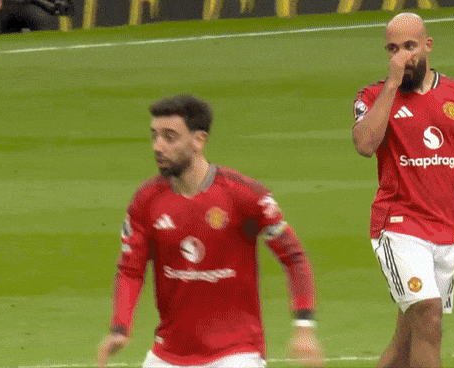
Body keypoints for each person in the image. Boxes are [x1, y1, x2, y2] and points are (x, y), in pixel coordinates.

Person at [97, 95, 324, 368]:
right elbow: (130, 269)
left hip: (236, 354)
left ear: (199, 140)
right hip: (167, 354)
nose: (158, 146)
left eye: (169, 137)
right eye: (154, 136)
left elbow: (294, 256)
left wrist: (304, 327)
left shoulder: (243, 195)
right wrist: (120, 328)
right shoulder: (146, 200)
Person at [351, 12, 454, 368]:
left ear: (428, 46)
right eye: (393, 49)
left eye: (409, 47)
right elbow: (364, 144)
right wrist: (391, 86)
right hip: (398, 225)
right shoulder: (373, 95)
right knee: (428, 313)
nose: (402, 57)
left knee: (409, 335)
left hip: (445, 230)